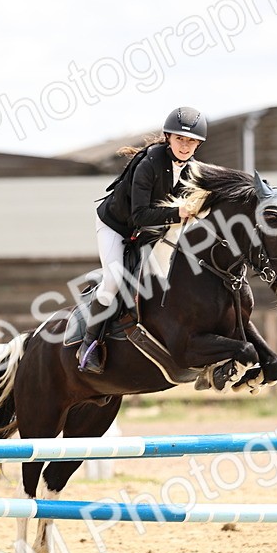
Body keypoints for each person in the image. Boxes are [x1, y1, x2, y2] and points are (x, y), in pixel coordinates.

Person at [78, 106, 208, 374]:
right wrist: (178, 213)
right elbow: (139, 215)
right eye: (180, 139)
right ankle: (89, 344)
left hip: (151, 229)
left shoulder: (194, 170)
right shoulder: (149, 164)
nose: (186, 146)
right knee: (113, 280)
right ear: (168, 138)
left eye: (192, 141)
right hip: (118, 226)